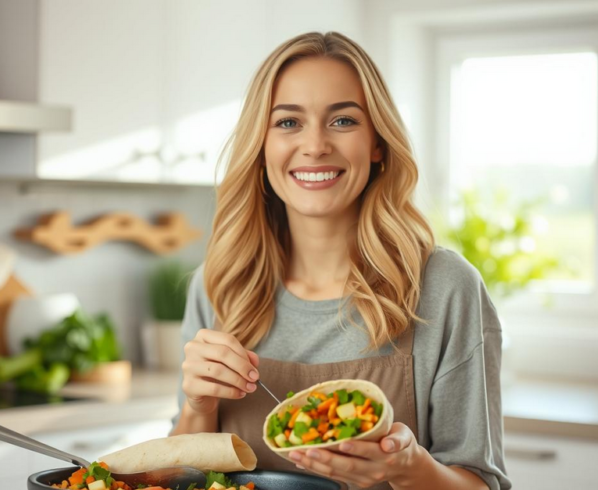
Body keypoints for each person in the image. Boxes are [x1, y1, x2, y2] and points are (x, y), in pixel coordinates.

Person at [169, 31, 511, 490]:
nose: (315, 146)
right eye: (288, 122)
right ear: (262, 144)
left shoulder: (444, 288)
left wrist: (410, 469)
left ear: (377, 144)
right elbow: (176, 478)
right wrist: (197, 407)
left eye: (343, 121)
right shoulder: (221, 283)